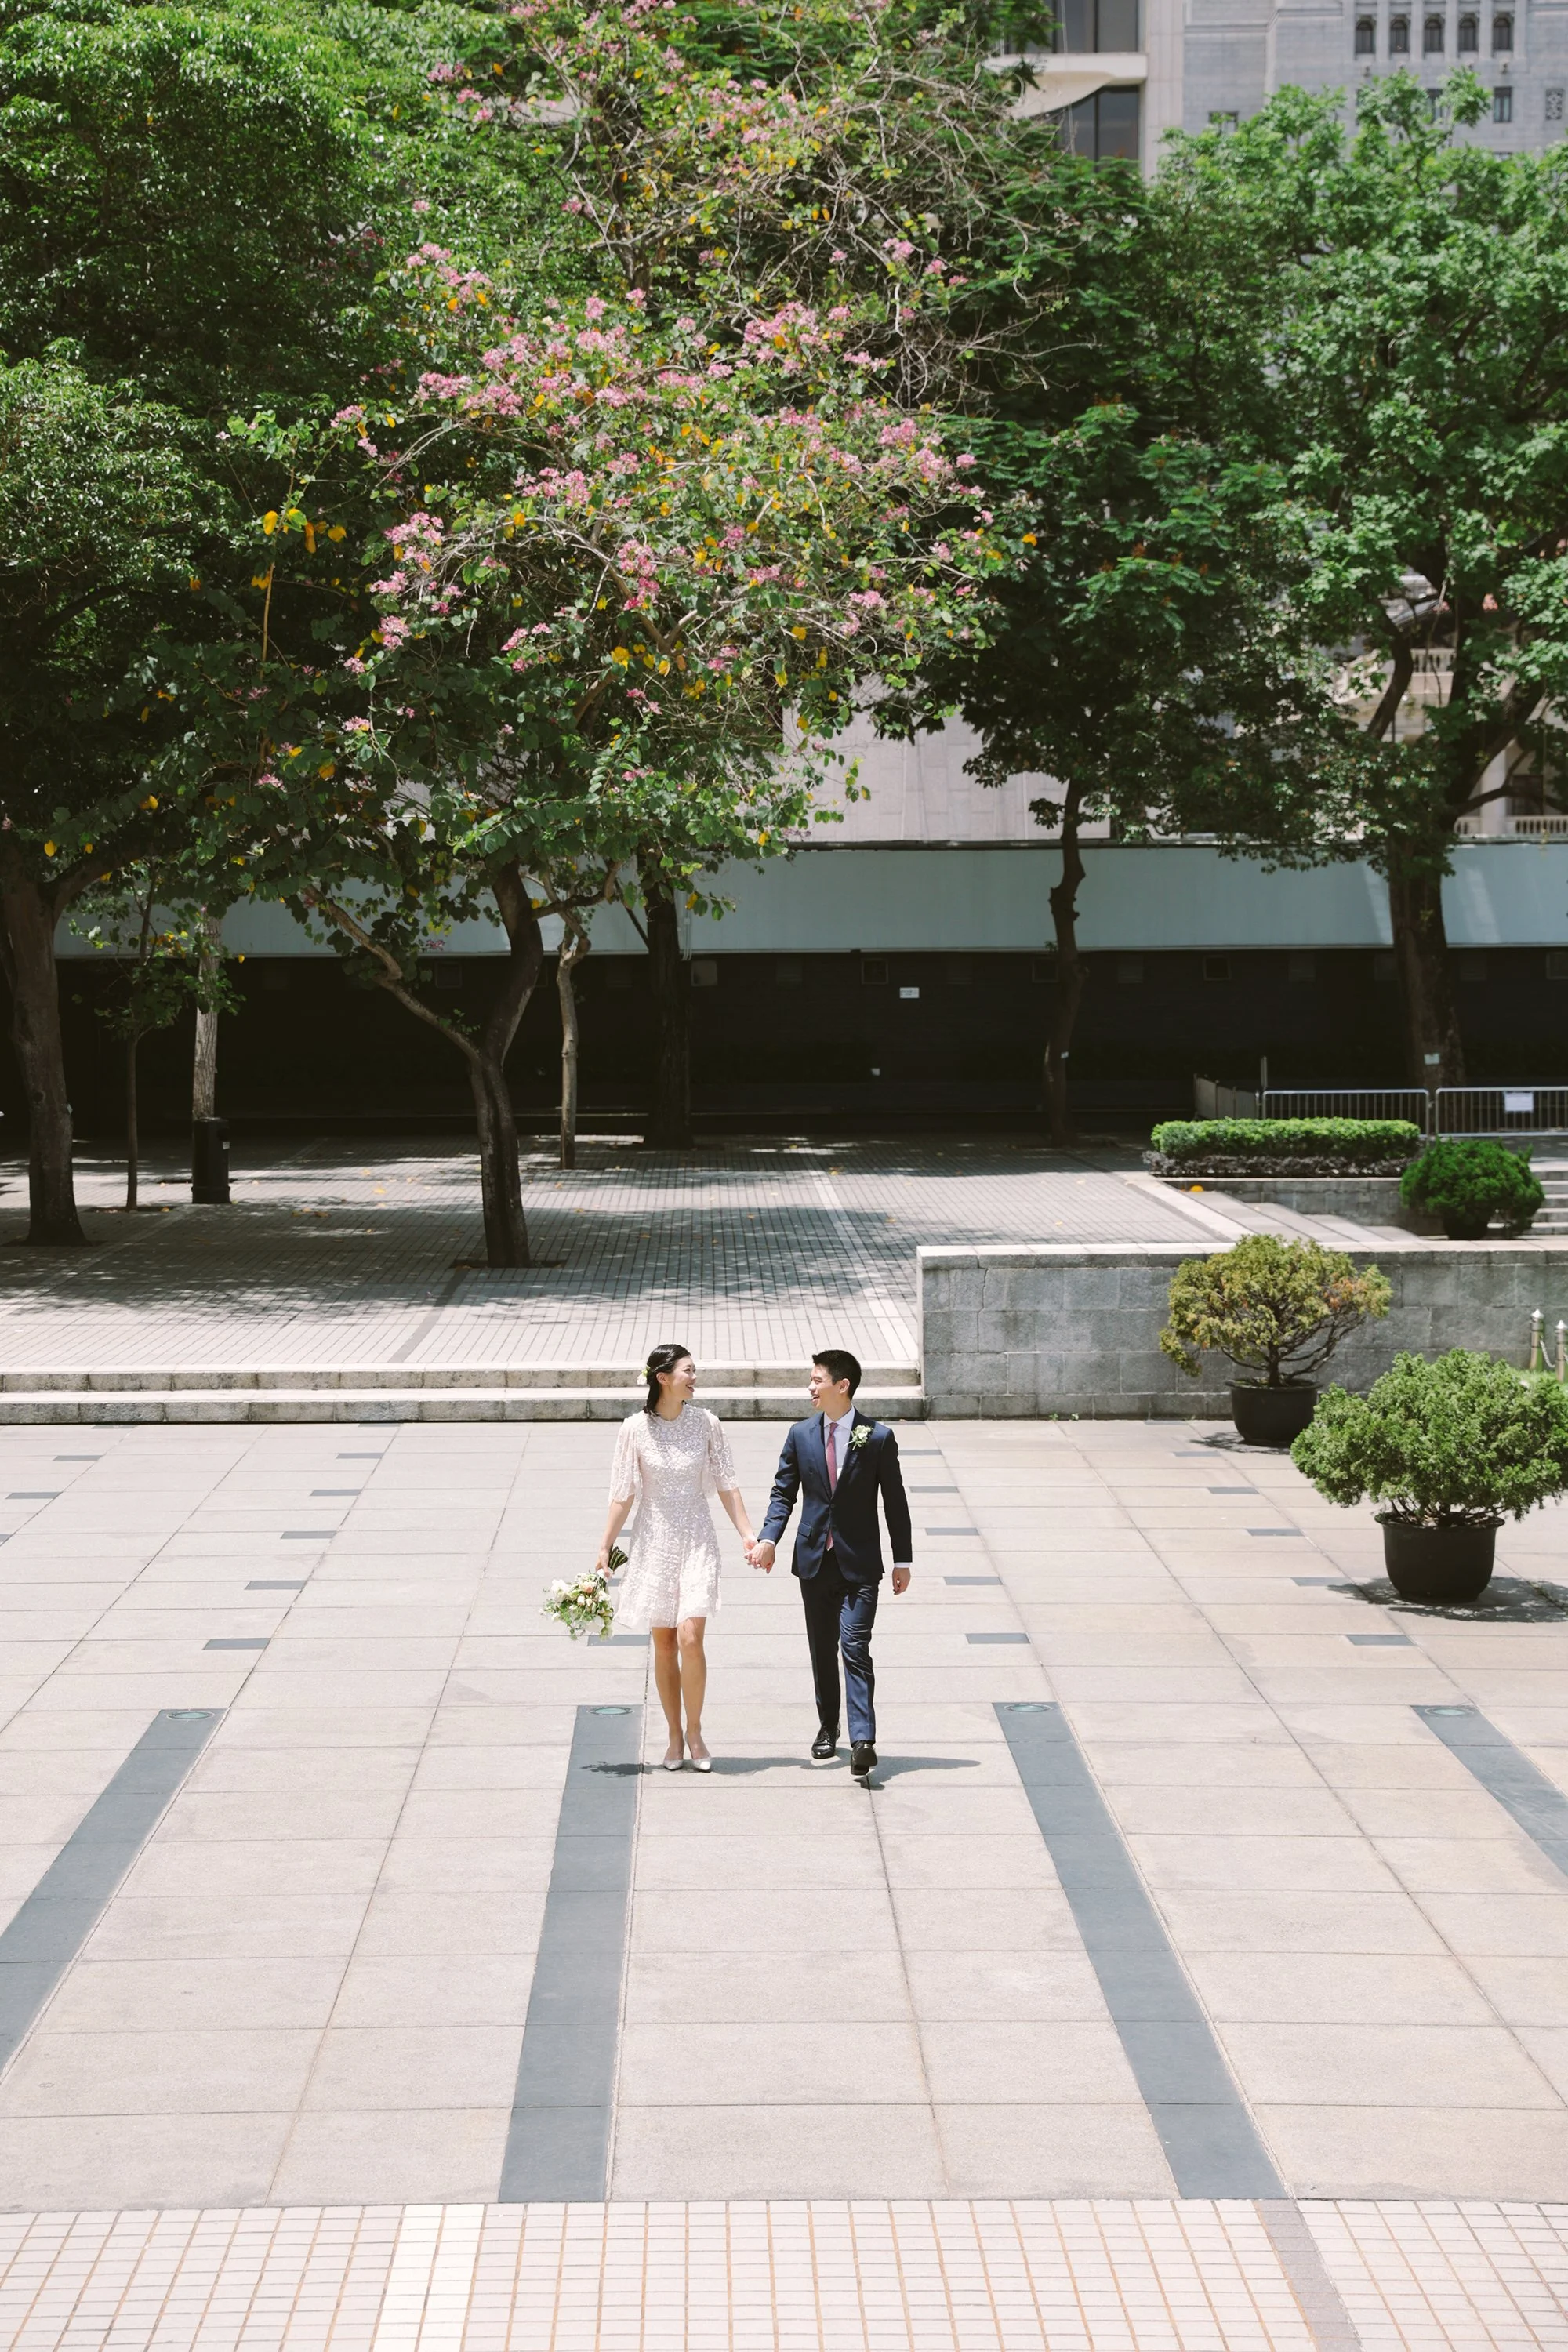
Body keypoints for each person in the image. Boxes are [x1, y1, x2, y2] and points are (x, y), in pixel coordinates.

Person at [749, 1348, 912, 1781]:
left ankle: (863, 1741)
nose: (810, 1388)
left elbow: (894, 1503)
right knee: (823, 1648)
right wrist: (769, 1538)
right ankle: (828, 1726)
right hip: (814, 1561)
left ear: (843, 1386)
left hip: (860, 1564)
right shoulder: (800, 1435)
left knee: (855, 1646)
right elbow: (784, 1493)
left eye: (816, 1380)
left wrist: (903, 1560)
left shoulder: (877, 1437)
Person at [597, 1342, 758, 1772]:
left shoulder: (707, 1423)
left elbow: (727, 1483)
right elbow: (623, 1493)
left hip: (697, 1536)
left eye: (695, 1370)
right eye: (688, 1371)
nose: (695, 1377)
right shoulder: (633, 1429)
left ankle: (695, 1730)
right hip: (653, 1540)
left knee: (691, 1635)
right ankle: (672, 1735)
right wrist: (604, 1545)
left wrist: (747, 1534)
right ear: (663, 1378)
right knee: (665, 1644)